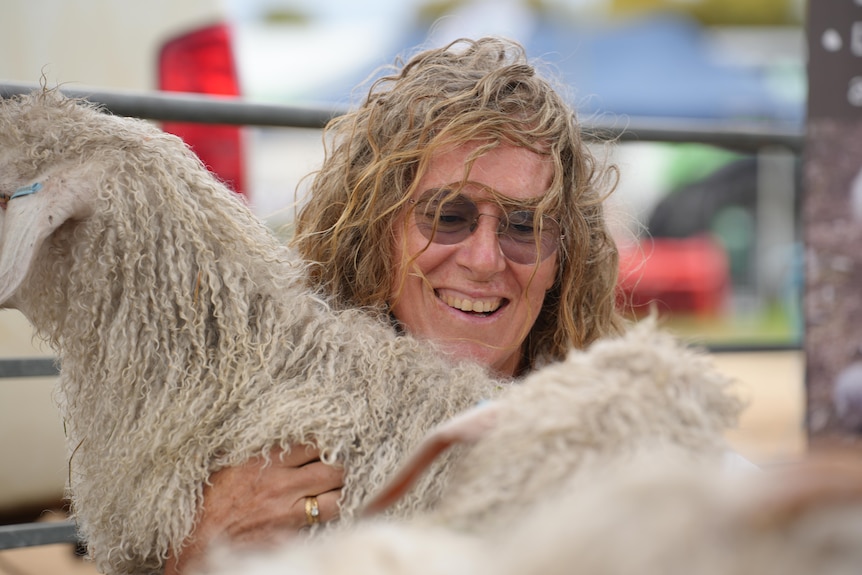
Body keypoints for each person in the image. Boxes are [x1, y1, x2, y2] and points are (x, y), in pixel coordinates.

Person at [165, 36, 625, 574]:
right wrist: (202, 547)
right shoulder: (268, 434)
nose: (483, 259)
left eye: (525, 224)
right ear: (375, 236)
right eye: (446, 214)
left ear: (561, 261)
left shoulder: (612, 440)